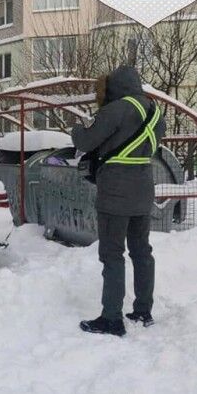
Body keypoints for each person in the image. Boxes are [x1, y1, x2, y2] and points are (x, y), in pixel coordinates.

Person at [71, 66, 165, 337]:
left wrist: (76, 129)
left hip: (115, 191)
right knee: (141, 251)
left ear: (114, 87)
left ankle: (111, 318)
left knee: (112, 254)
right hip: (143, 187)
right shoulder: (155, 111)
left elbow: (88, 141)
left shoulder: (116, 109)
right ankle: (143, 310)